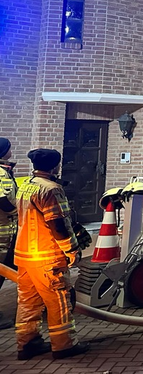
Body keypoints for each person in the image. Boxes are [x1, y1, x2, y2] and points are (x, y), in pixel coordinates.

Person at [15, 149, 89, 360]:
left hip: (25, 256)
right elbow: (58, 224)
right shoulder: (52, 190)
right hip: (47, 257)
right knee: (58, 301)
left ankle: (27, 343)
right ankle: (64, 344)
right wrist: (72, 250)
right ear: (55, 166)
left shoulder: (25, 186)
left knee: (28, 302)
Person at [0, 137, 18, 330]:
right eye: (9, 148)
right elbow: (3, 201)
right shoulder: (0, 174)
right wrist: (22, 214)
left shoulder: (5, 170)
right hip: (1, 234)